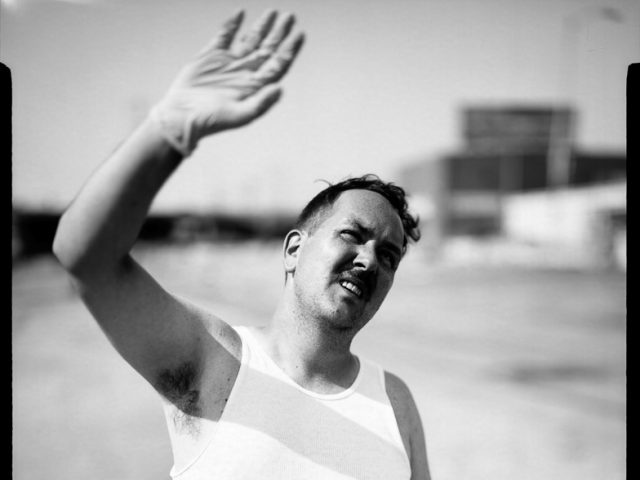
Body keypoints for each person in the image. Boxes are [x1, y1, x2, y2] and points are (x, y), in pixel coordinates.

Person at [53, 9, 431, 480]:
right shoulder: (215, 361)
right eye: (353, 235)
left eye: (390, 256)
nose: (370, 260)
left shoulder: (394, 403)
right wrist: (170, 128)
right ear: (294, 249)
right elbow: (85, 258)